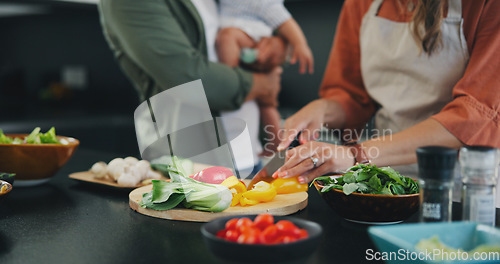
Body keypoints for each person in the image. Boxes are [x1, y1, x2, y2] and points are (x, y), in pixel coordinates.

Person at [273, 0, 500, 184]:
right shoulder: (360, 4)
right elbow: (352, 95)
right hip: (382, 178)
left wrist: (355, 155)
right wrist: (323, 109)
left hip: (464, 184)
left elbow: (475, 118)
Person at [98, 0, 287, 176]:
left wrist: (276, 45)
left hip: (251, 157)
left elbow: (255, 19)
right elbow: (187, 78)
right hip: (190, 171)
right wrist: (266, 84)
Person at [216, 0, 314, 156]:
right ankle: (277, 143)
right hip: (246, 40)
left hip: (251, 40)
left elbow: (283, 19)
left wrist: (300, 44)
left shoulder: (259, 2)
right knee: (266, 103)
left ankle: (232, 76)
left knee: (227, 37)